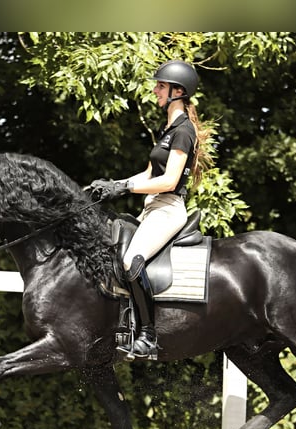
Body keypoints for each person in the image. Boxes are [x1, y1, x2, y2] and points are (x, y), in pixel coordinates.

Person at [89, 59, 212, 360]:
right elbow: (148, 175)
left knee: (132, 261)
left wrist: (125, 189)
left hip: (168, 209)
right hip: (152, 208)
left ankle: (148, 336)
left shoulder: (184, 131)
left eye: (160, 86)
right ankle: (123, 328)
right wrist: (112, 184)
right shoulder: (167, 128)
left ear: (177, 91)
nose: (155, 90)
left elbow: (169, 181)